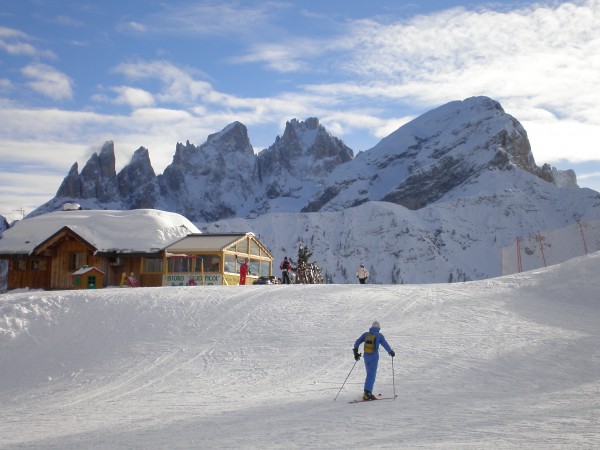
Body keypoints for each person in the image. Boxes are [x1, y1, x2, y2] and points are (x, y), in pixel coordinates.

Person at [353, 321, 395, 400]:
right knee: (371, 375)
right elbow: (385, 344)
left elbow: (358, 341)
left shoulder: (366, 334)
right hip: (374, 357)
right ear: (378, 328)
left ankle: (367, 392)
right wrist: (390, 352)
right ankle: (367, 392)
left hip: (366, 357)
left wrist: (355, 352)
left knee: (369, 374)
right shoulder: (379, 335)